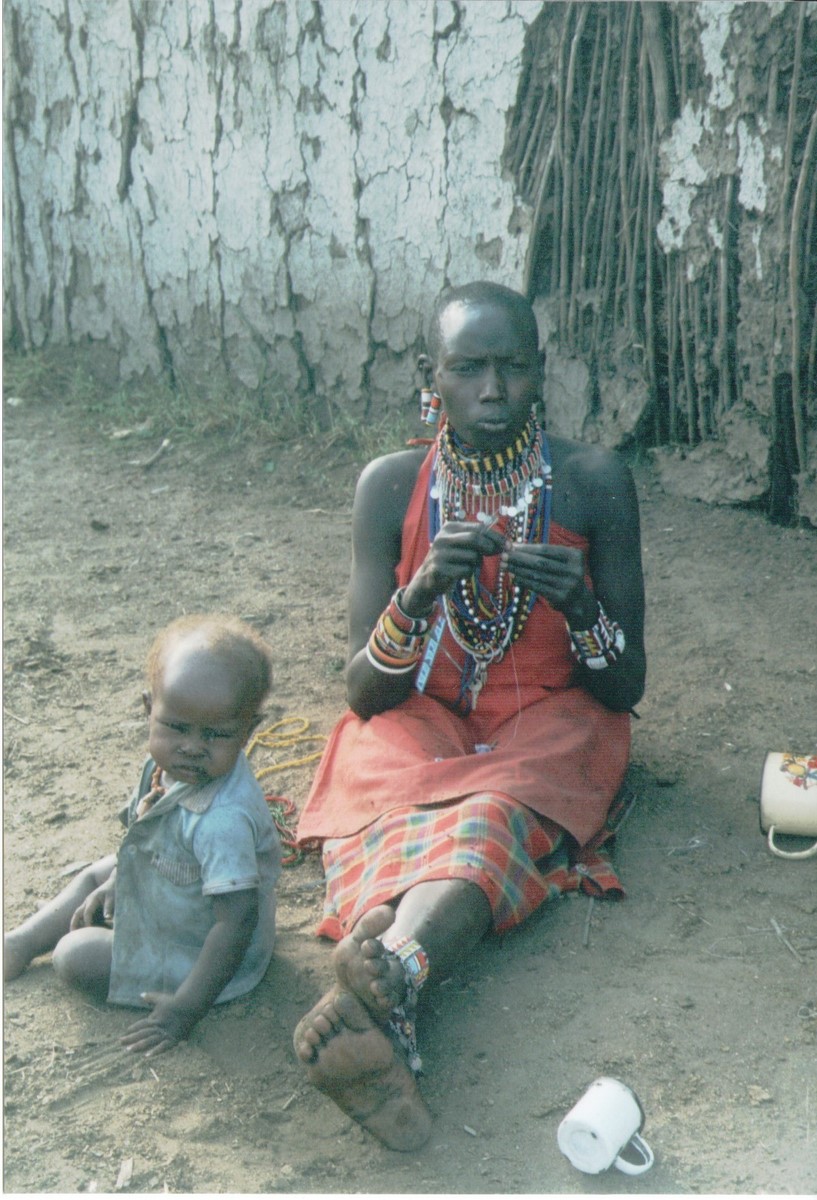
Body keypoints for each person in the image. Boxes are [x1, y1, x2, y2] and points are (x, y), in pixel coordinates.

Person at [292, 280, 646, 1151]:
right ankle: (394, 984)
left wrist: (581, 606)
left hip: (551, 718)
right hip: (418, 715)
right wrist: (417, 595)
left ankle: (385, 967)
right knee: (391, 785)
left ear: (540, 372)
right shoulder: (390, 486)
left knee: (488, 813)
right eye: (468, 369)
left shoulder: (593, 482)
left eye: (512, 368)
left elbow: (623, 686)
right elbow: (364, 693)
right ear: (431, 377)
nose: (492, 390)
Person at [4, 614, 281, 1057]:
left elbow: (236, 923)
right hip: (178, 891)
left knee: (74, 955)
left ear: (248, 731)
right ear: (148, 709)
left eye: (216, 735)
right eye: (177, 727)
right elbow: (144, 837)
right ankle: (19, 942)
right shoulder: (162, 768)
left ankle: (66, 945)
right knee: (98, 874)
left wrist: (184, 1010)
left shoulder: (223, 820)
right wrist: (120, 882)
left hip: (204, 957)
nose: (192, 747)